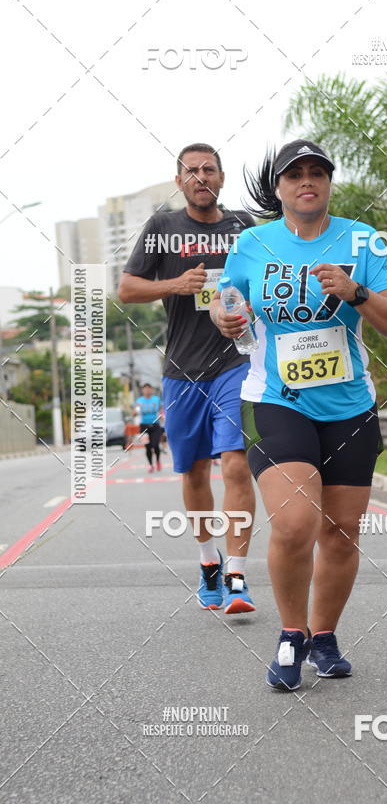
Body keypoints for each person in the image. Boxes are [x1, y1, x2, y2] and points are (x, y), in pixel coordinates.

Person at [212, 139, 387, 689]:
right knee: (297, 523)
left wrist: (356, 292)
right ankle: (290, 633)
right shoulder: (252, 243)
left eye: (316, 173)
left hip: (349, 405)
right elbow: (227, 302)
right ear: (278, 189)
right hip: (275, 400)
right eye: (294, 174)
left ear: (328, 183)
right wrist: (226, 317)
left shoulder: (362, 239)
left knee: (342, 531)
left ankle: (324, 636)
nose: (307, 181)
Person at [119, 143, 256, 615]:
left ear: (221, 178)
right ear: (180, 181)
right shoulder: (162, 229)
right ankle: (208, 563)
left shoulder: (242, 228)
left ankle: (237, 571)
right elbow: (127, 288)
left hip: (236, 365)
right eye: (191, 171)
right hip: (181, 372)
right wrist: (173, 285)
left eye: (209, 170)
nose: (201, 177)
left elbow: (266, 279)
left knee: (236, 466)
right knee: (195, 473)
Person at [135, 383, 163, 472]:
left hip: (155, 425)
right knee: (147, 446)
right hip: (144, 425)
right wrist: (136, 411)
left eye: (149, 389)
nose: (147, 390)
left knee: (155, 445)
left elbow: (161, 410)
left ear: (151, 390)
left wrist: (162, 417)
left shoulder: (156, 399)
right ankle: (151, 465)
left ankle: (158, 461)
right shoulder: (139, 400)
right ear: (143, 391)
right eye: (145, 389)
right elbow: (135, 412)